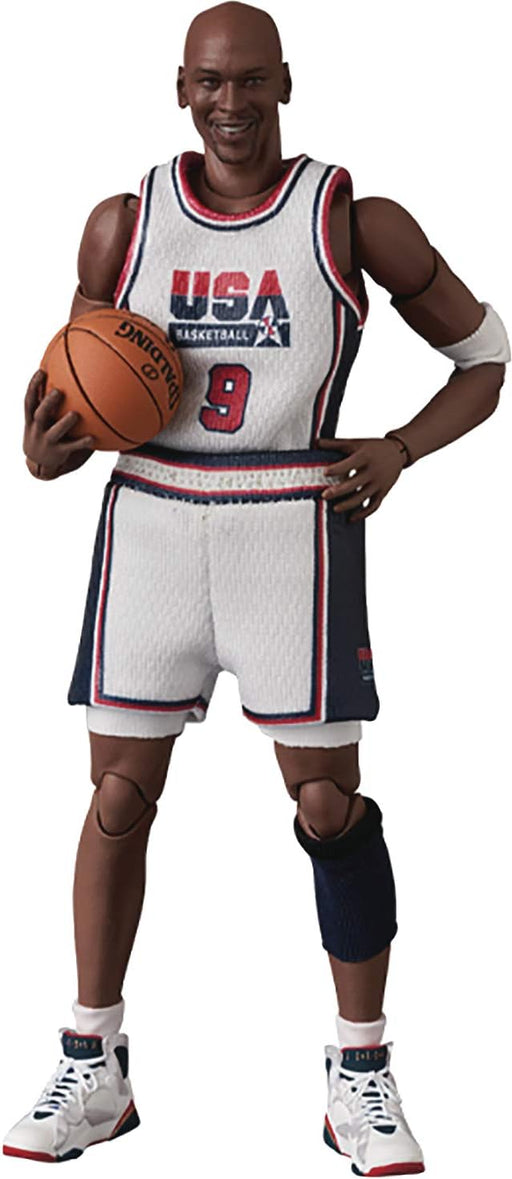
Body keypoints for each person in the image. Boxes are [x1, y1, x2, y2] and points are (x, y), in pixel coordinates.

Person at [4, 2, 509, 1174]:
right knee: (116, 797)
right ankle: (92, 1061)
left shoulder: (351, 218)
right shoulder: (122, 222)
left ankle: (360, 1070)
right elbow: (70, 413)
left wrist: (398, 448)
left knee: (326, 805)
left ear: (284, 82)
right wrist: (42, 452)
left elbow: (484, 359)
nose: (228, 104)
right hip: (150, 523)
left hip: (292, 523)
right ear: (178, 87)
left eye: (248, 82)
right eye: (207, 82)